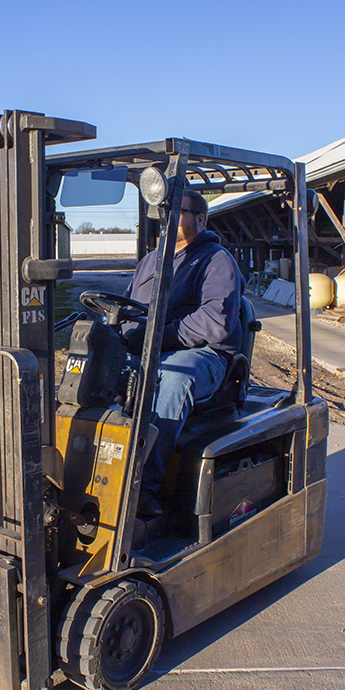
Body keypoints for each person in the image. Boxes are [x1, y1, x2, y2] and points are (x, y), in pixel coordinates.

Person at [121, 189, 246, 516]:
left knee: (174, 378)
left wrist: (157, 339)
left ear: (200, 219)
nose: (167, 219)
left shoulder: (216, 260)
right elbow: (128, 307)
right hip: (152, 349)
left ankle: (144, 486)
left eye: (178, 211)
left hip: (205, 355)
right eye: (164, 212)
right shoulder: (150, 261)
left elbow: (215, 322)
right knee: (93, 369)